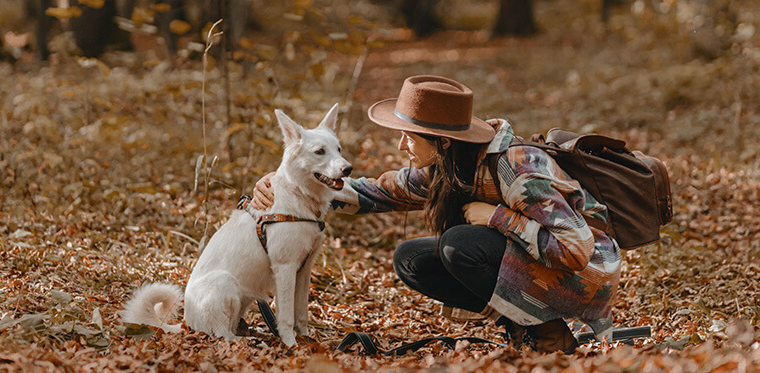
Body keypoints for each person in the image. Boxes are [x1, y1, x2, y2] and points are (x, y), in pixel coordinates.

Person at [252, 75, 620, 353]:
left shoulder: (516, 169)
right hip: (545, 264)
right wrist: (282, 182)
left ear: (441, 141)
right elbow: (376, 192)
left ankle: (550, 334)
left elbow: (576, 249)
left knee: (459, 244)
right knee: (411, 258)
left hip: (588, 275)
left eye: (410, 137)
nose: (401, 145)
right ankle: (523, 323)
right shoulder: (451, 166)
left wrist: (496, 217)